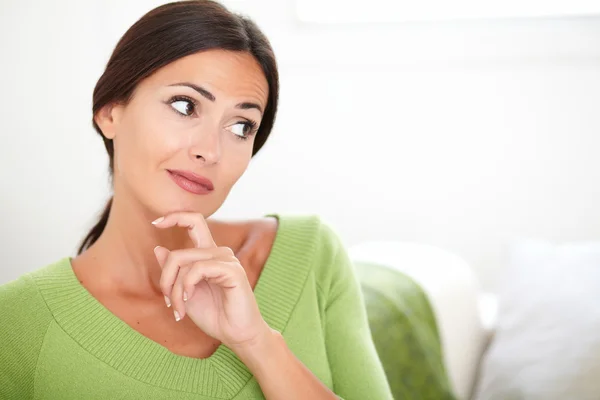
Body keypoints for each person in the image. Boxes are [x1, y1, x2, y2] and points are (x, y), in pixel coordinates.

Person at [0, 1, 393, 399]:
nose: (211, 150)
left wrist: (257, 342)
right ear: (110, 112)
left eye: (241, 126)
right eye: (185, 105)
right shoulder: (17, 324)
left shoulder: (309, 254)